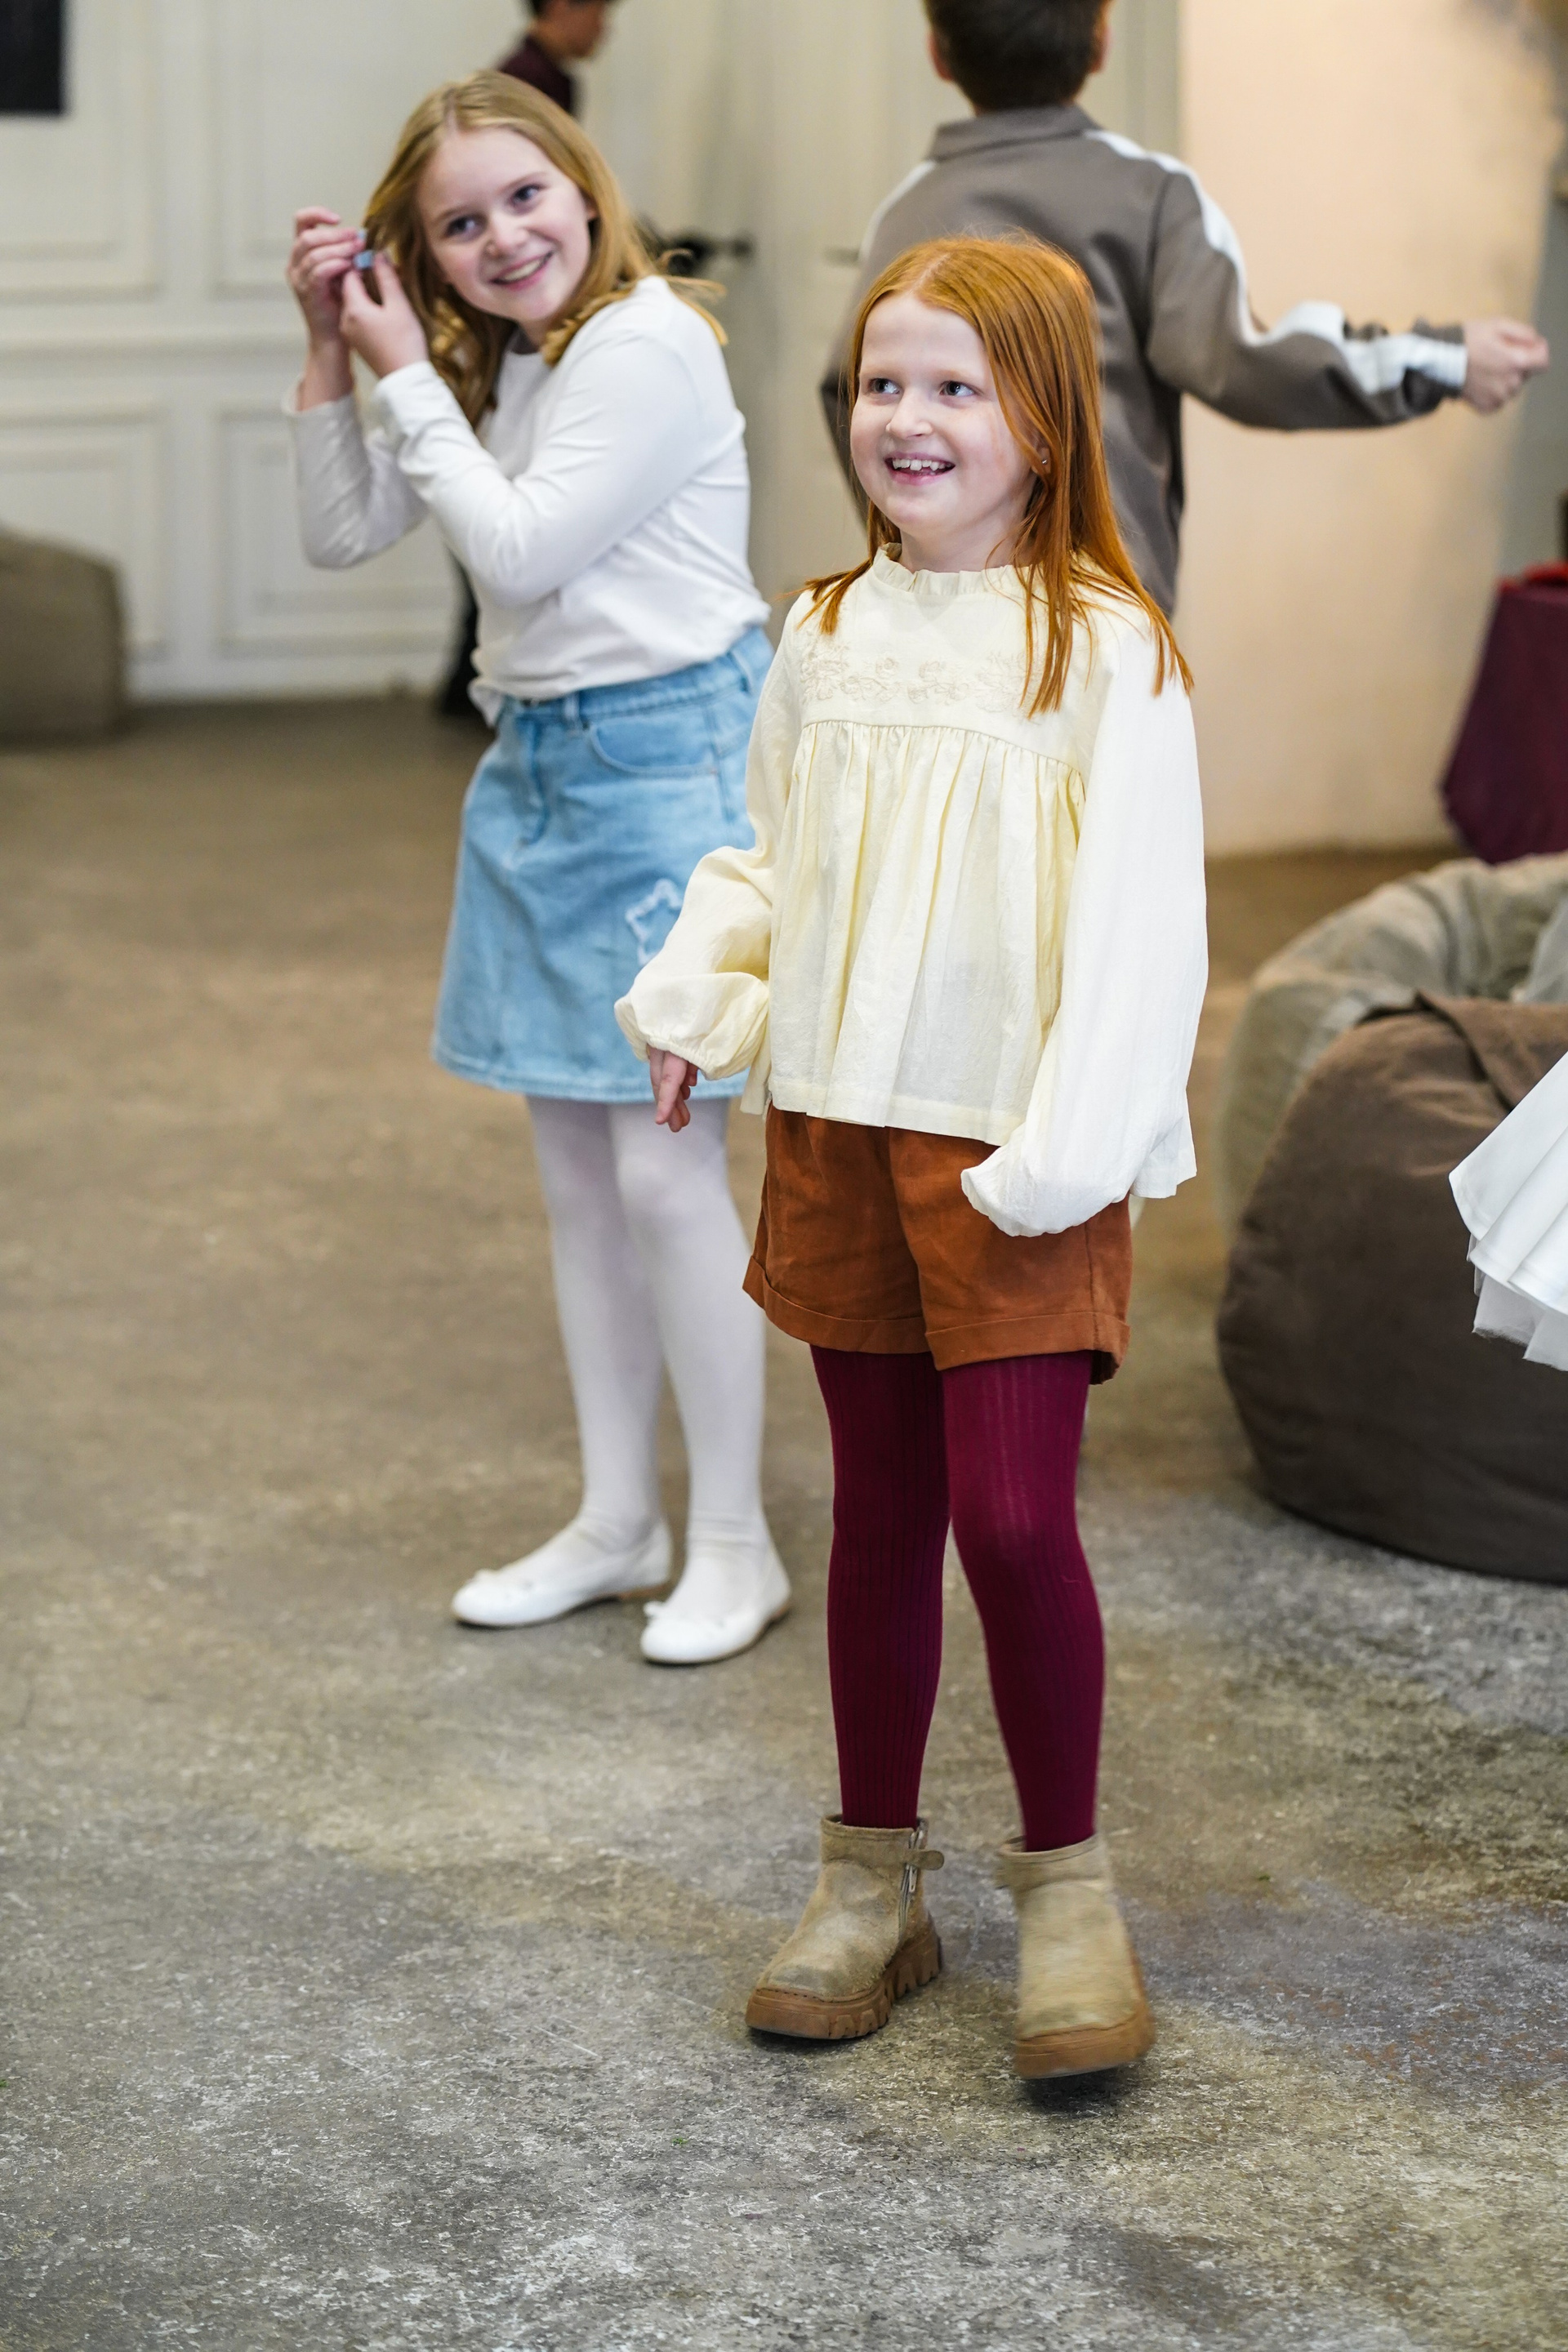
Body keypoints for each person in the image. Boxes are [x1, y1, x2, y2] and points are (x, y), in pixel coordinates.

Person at [618, 236, 1207, 2076]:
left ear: (1045, 419)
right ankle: (870, 1884)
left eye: (957, 385)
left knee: (1015, 1522)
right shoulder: (822, 632)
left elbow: (1144, 934)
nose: (909, 417)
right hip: (837, 1127)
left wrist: (1063, 1159)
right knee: (879, 1517)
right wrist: (705, 995)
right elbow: (771, 853)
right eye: (884, 383)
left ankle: (1070, 1894)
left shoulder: (1107, 651)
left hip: (1017, 1143)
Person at [283, 72, 790, 1667]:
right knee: (581, 1182)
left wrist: (399, 372)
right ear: (419, 252)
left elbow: (516, 550)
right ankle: (619, 1520)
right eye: (459, 224)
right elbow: (341, 531)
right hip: (545, 771)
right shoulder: (500, 361)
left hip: (668, 772)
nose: (503, 237)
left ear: (583, 187)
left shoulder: (647, 343)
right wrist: (333, 351)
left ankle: (736, 1542)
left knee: (663, 1174)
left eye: (523, 197)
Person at [822, 0, 1550, 615]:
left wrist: (920, 540)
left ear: (938, 54)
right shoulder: (1152, 196)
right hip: (1101, 602)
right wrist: (1443, 358)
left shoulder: (904, 212)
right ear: (1102, 44)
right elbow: (1250, 364)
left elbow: (842, 388)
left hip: (937, 605)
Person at [497, 0, 615, 118]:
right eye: (598, 13)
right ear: (559, 6)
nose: (602, 27)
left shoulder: (547, 77)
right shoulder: (523, 80)